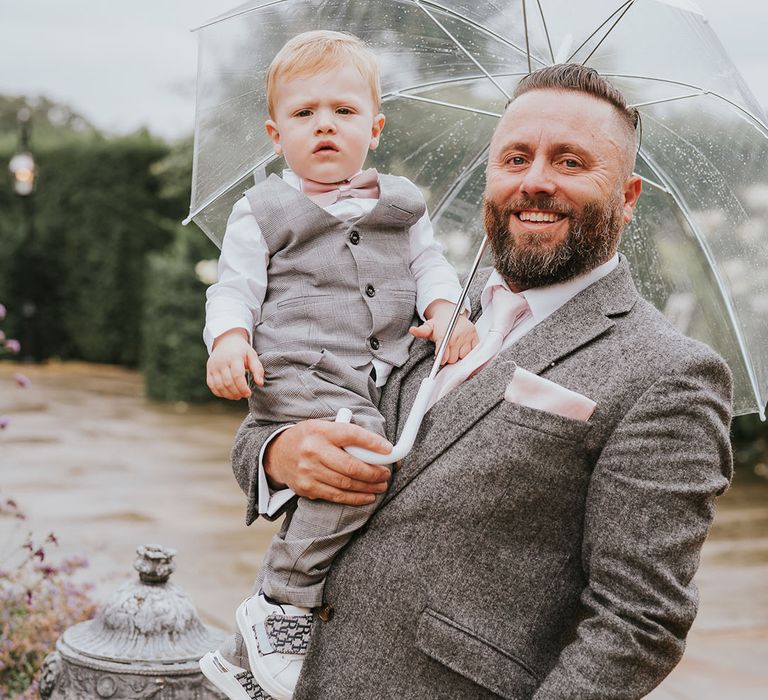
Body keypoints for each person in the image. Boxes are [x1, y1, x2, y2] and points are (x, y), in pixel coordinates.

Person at [223, 64, 734, 699]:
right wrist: (282, 455)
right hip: (269, 677)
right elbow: (258, 436)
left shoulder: (669, 374)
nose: (535, 182)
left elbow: (638, 623)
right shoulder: (415, 300)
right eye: (515, 158)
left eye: (571, 162)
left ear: (627, 198)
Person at [199, 31, 477, 700]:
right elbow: (233, 287)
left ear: (375, 128)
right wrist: (229, 342)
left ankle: (240, 655)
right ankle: (280, 602)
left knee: (354, 469)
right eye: (305, 113)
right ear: (275, 135)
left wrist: (445, 308)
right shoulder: (261, 209)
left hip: (376, 374)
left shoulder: (404, 205)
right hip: (297, 371)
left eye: (345, 111)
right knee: (354, 465)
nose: (325, 124)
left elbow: (431, 265)